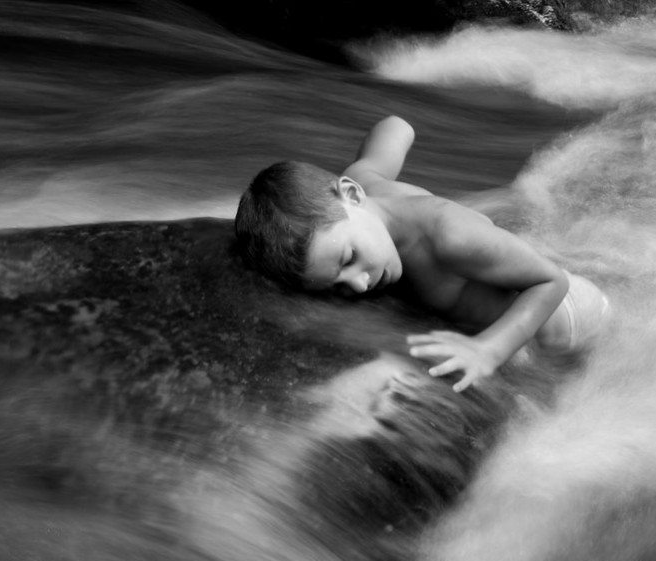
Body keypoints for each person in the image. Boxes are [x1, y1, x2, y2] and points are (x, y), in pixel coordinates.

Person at [234, 116, 610, 392]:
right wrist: (399, 122)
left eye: (348, 259)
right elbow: (395, 129)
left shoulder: (449, 236)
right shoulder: (363, 184)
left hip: (570, 317)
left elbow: (550, 280)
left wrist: (488, 352)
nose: (360, 283)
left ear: (350, 195)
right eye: (337, 287)